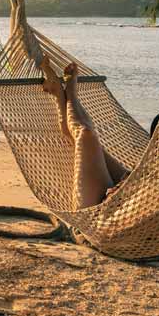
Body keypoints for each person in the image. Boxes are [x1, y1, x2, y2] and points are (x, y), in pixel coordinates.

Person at [41, 59, 128, 210]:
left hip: (102, 212)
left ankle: (69, 93)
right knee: (88, 139)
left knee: (86, 135)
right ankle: (63, 96)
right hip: (132, 185)